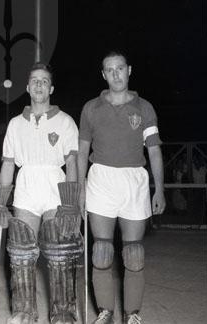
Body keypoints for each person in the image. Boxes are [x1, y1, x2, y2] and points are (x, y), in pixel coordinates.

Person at [77, 51, 166, 324]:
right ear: (103, 74)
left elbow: (154, 151)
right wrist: (80, 188)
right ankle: (105, 311)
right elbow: (82, 151)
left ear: (129, 70)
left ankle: (132, 314)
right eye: (109, 70)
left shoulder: (145, 108)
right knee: (101, 251)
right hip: (101, 179)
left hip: (134, 181)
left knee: (134, 253)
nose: (115, 74)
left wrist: (159, 189)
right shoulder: (91, 108)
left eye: (120, 68)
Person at [0, 62, 81, 324]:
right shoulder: (15, 124)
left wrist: (70, 203)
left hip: (55, 186)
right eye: (34, 80)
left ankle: (63, 312)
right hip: (27, 186)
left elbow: (72, 163)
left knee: (60, 250)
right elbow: (8, 164)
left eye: (44, 81)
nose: (39, 85)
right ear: (28, 87)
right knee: (21, 250)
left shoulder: (65, 121)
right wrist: (1, 203)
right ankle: (24, 311)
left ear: (51, 88)